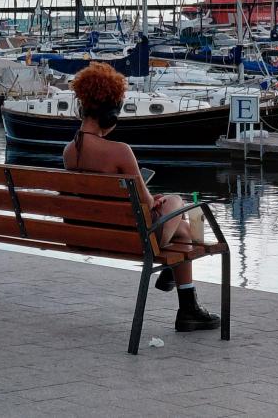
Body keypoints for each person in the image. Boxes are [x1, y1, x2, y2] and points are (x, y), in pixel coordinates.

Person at [62, 62, 220, 332]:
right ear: (111, 114)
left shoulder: (69, 152)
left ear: (82, 108)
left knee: (181, 231)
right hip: (133, 239)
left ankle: (188, 309)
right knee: (177, 202)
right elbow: (147, 206)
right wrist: (158, 200)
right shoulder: (120, 151)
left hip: (88, 234)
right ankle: (185, 301)